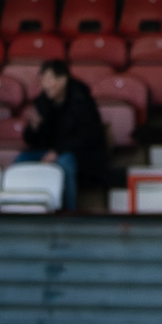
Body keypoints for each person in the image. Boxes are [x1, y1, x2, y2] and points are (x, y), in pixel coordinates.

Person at [18, 59, 108, 213]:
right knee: (21, 161)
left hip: (80, 155)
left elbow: (89, 136)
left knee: (65, 162)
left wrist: (58, 151)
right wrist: (33, 128)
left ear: (63, 79)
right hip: (48, 151)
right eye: (42, 80)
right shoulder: (42, 102)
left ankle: (69, 213)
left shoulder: (82, 100)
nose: (45, 85)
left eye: (49, 79)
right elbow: (30, 140)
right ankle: (25, 210)